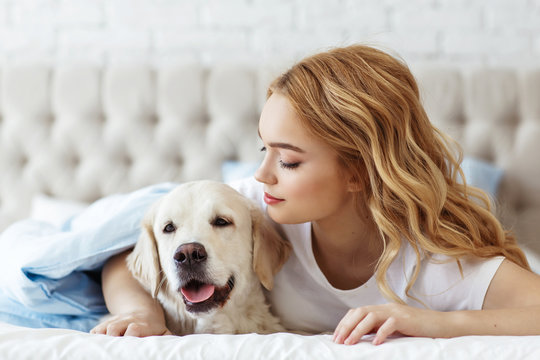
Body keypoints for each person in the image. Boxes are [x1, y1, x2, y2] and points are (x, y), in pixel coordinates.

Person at [91, 44, 540, 345]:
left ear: (358, 171)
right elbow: (122, 257)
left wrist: (434, 322)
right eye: (262, 150)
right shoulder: (250, 209)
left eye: (288, 160)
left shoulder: (435, 265)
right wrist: (142, 313)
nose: (262, 174)